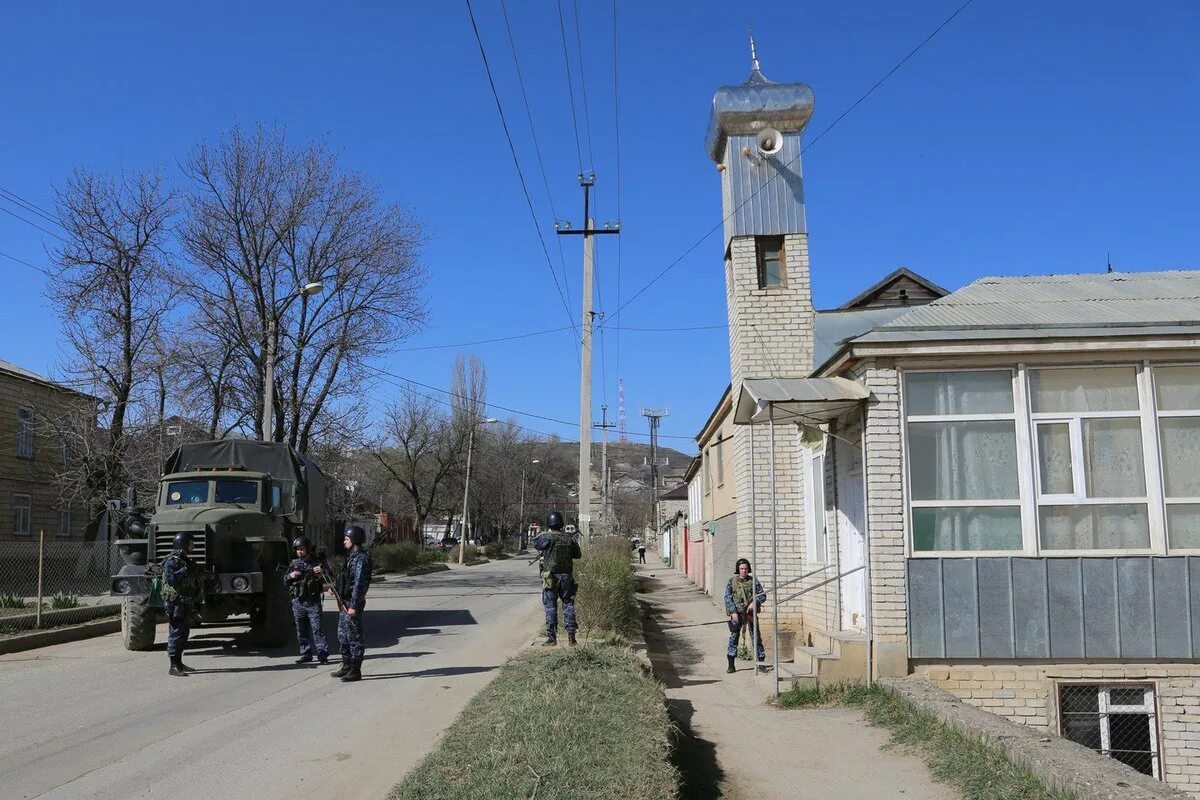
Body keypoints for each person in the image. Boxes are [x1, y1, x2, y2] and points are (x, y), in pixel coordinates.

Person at [534, 511, 582, 647]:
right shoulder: (569, 539)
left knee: (550, 607)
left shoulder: (545, 537)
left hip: (550, 577)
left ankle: (552, 638)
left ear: (549, 523)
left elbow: (537, 544)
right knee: (568, 604)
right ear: (561, 524)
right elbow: (578, 555)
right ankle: (571, 637)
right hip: (566, 577)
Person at [331, 525, 372, 682]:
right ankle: (347, 665)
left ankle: (355, 670)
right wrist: (336, 589)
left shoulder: (361, 559)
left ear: (354, 540)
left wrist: (354, 605)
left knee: (355, 637)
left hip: (352, 603)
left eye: (346, 539)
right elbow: (346, 579)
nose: (343, 542)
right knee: (343, 635)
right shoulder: (351, 557)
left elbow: (358, 585)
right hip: (344, 602)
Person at [161, 531, 204, 677]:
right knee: (175, 633)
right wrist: (186, 571)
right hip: (176, 603)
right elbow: (172, 579)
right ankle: (173, 666)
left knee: (184, 633)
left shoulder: (185, 560)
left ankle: (179, 663)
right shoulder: (171, 561)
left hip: (186, 602)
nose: (194, 546)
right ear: (183, 545)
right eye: (191, 544)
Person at [284, 536, 328, 665]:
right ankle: (305, 653)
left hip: (313, 602)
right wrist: (291, 576)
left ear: (308, 549)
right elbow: (285, 580)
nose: (299, 552)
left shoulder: (317, 563)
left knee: (317, 630)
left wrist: (321, 572)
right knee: (301, 631)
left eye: (302, 549)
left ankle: (322, 654)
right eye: (297, 550)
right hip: (298, 602)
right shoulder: (294, 564)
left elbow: (328, 579)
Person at [724, 558, 766, 674]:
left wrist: (755, 602)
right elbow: (727, 598)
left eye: (746, 568)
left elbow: (762, 595)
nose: (744, 571)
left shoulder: (754, 581)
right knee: (733, 639)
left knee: (756, 638)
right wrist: (733, 612)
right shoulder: (731, 581)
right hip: (737, 614)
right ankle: (731, 664)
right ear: (738, 569)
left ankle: (761, 663)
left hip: (750, 614)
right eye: (742, 568)